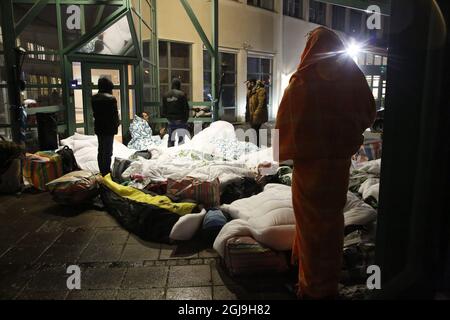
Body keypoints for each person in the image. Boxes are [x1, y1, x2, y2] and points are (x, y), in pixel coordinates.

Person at [275, 27, 376, 300]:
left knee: (310, 227)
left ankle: (312, 288)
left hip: (310, 170)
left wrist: (284, 152)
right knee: (331, 225)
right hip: (338, 167)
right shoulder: (352, 77)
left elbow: (284, 125)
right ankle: (321, 281)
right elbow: (369, 110)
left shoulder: (302, 81)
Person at [91, 77, 120, 176]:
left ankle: (102, 170)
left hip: (99, 127)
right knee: (108, 151)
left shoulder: (94, 98)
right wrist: (117, 125)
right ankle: (106, 171)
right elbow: (114, 114)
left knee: (101, 149)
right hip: (109, 128)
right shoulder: (111, 99)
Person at [161, 78, 190, 147]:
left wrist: (168, 117)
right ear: (179, 85)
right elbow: (186, 108)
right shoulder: (182, 94)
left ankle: (170, 154)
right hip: (181, 119)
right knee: (181, 139)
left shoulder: (166, 95)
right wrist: (185, 119)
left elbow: (164, 109)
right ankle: (180, 154)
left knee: (171, 138)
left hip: (171, 120)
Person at [248, 79, 268, 147]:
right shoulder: (252, 91)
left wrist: (256, 114)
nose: (249, 84)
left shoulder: (261, 90)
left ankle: (256, 146)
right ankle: (256, 145)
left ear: (254, 83)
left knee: (255, 130)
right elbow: (248, 99)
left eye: (250, 83)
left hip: (257, 115)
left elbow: (261, 104)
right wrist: (248, 89)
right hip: (252, 115)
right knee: (255, 130)